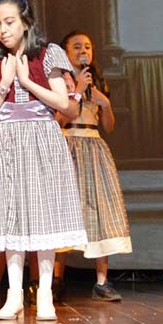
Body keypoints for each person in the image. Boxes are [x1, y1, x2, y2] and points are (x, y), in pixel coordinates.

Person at [0, 0, 86, 321]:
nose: (3, 30)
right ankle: (14, 295)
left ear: (25, 22)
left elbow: (64, 103)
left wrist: (25, 81)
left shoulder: (48, 54)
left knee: (44, 216)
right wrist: (6, 81)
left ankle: (46, 294)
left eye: (9, 22)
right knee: (12, 217)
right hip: (7, 140)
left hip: (42, 136)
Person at [57, 30, 131, 302]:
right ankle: (55, 280)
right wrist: (76, 90)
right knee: (64, 211)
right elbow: (57, 122)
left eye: (87, 46)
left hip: (94, 144)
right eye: (76, 46)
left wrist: (106, 104)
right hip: (68, 144)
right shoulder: (59, 80)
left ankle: (102, 281)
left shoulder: (98, 82)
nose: (82, 50)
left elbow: (108, 127)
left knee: (100, 210)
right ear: (65, 51)